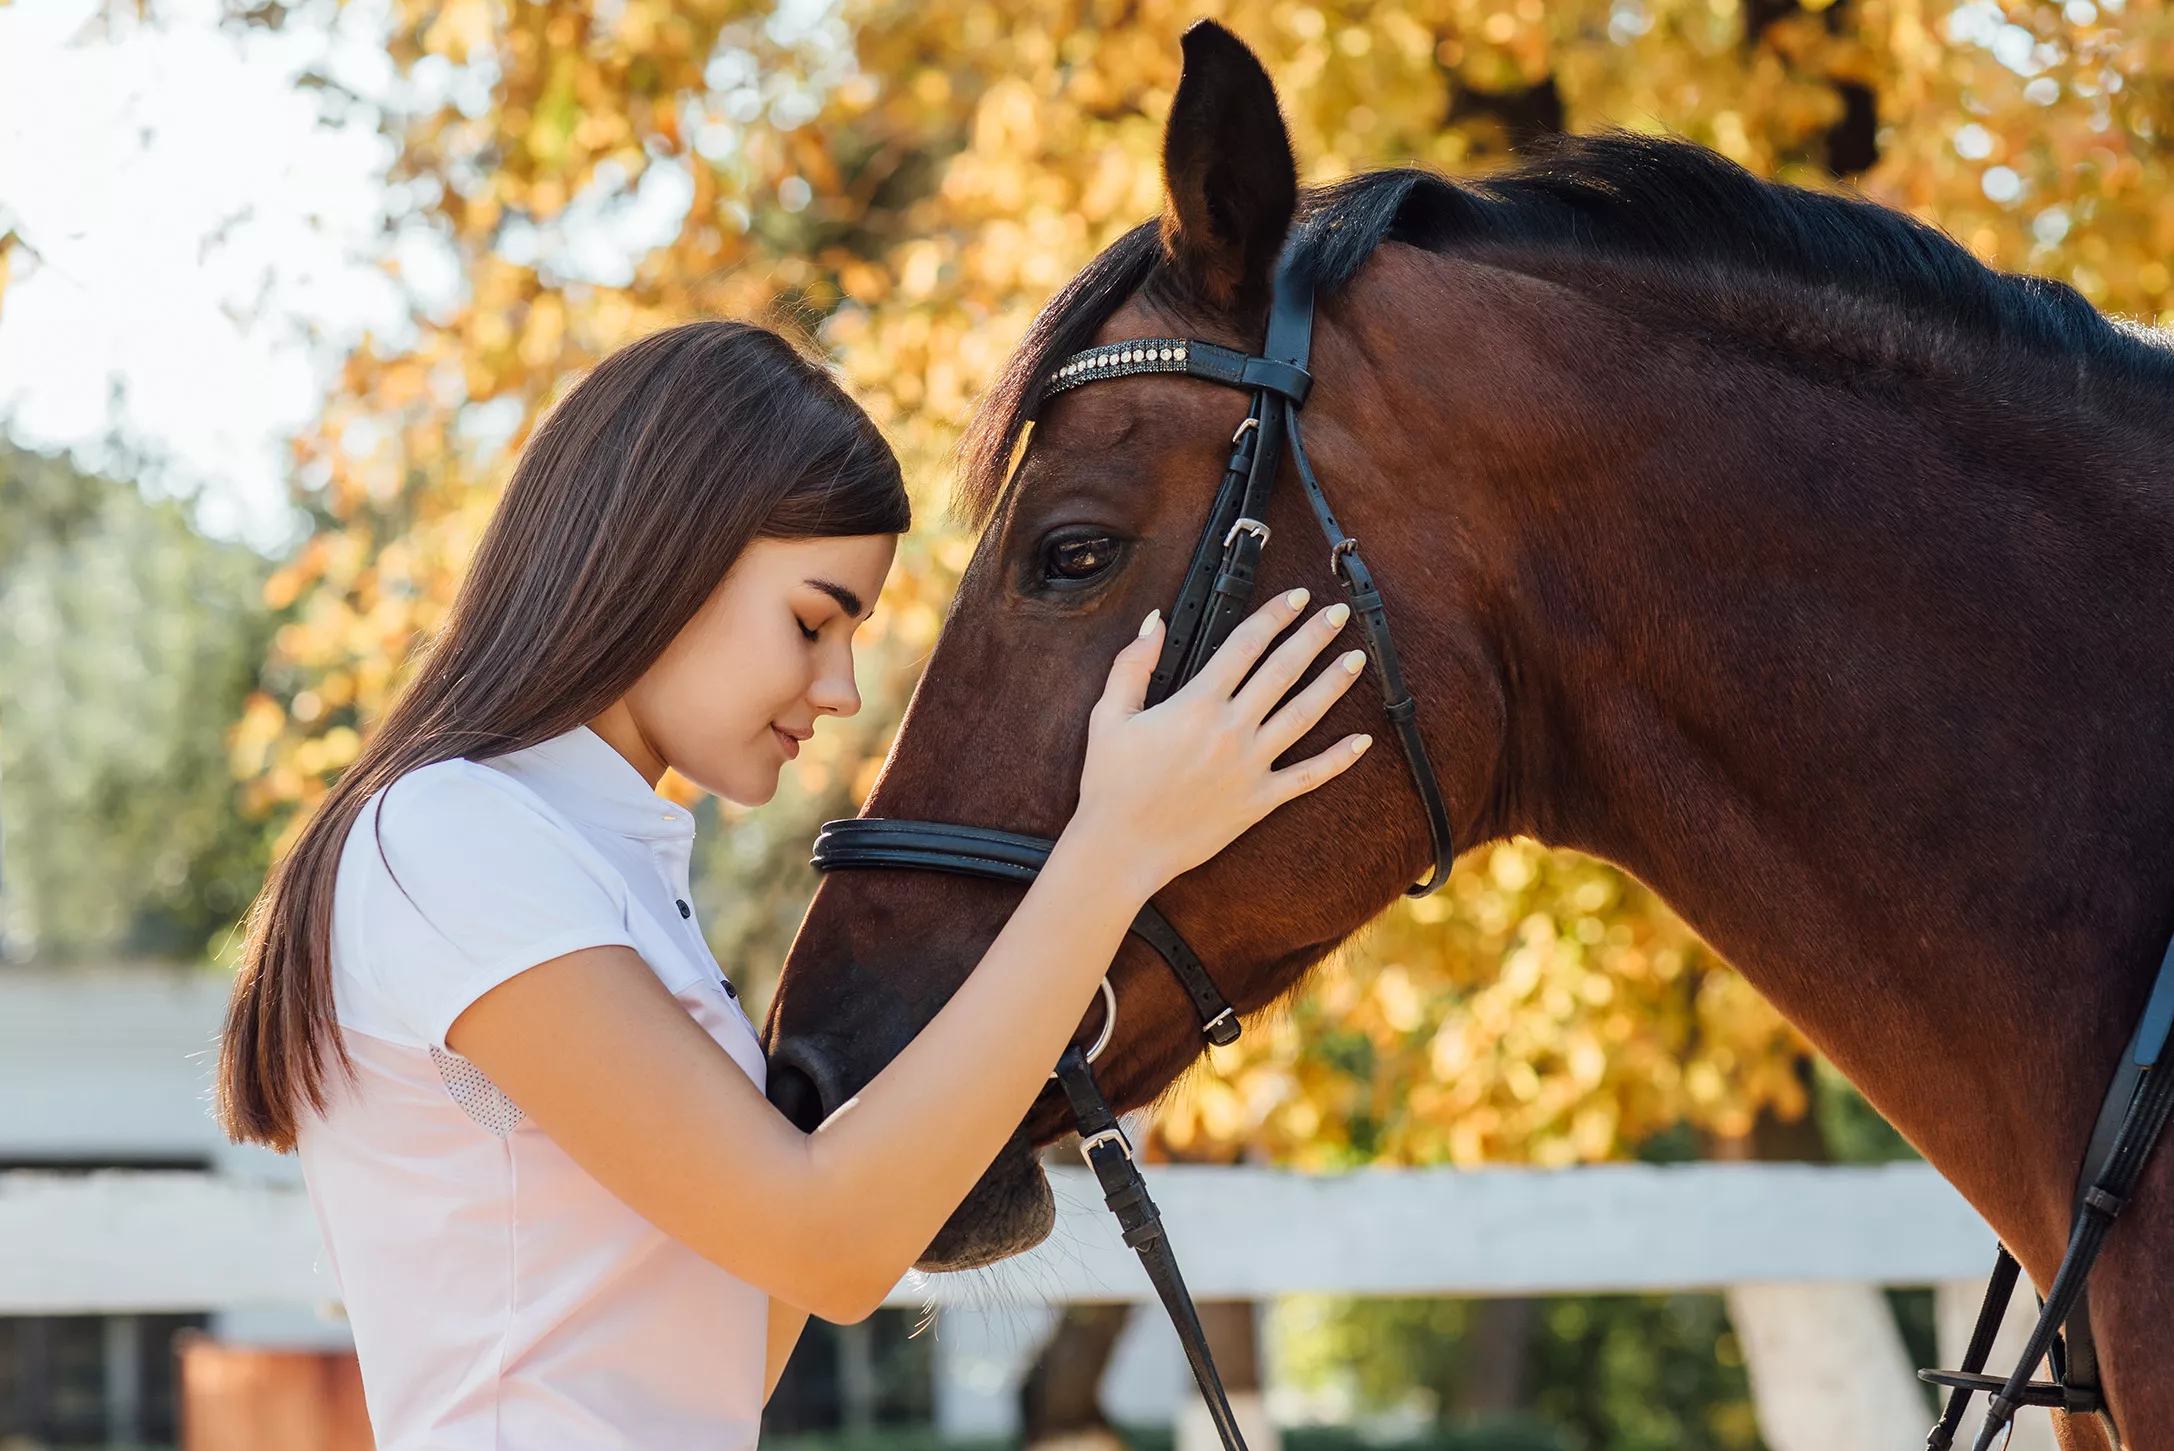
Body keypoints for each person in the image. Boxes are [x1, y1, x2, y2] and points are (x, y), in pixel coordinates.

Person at [215, 319, 1372, 1449]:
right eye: (814, 620)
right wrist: (1111, 851)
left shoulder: (606, 870)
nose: (841, 687)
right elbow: (825, 1248)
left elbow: (748, 1316)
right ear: (662, 555)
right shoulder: (455, 837)